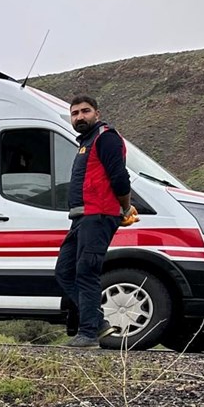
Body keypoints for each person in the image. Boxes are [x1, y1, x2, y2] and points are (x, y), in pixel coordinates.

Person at [56, 95, 131, 347]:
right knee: (65, 271)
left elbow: (120, 177)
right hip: (81, 217)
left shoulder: (106, 138)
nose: (79, 116)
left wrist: (126, 207)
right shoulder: (85, 142)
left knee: (86, 271)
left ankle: (88, 333)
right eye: (75, 113)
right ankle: (98, 323)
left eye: (85, 111)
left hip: (98, 215)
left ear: (97, 114)